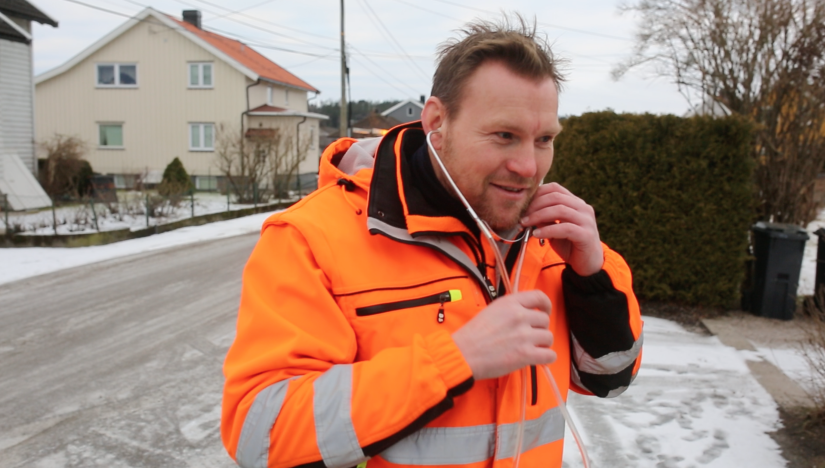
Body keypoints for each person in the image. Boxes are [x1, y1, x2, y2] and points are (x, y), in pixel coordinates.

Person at [221, 17, 643, 468]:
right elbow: (261, 435)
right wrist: (454, 360)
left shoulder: (551, 238)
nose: (527, 166)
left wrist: (592, 281)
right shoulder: (312, 238)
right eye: (504, 135)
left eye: (544, 139)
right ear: (437, 123)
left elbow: (611, 378)